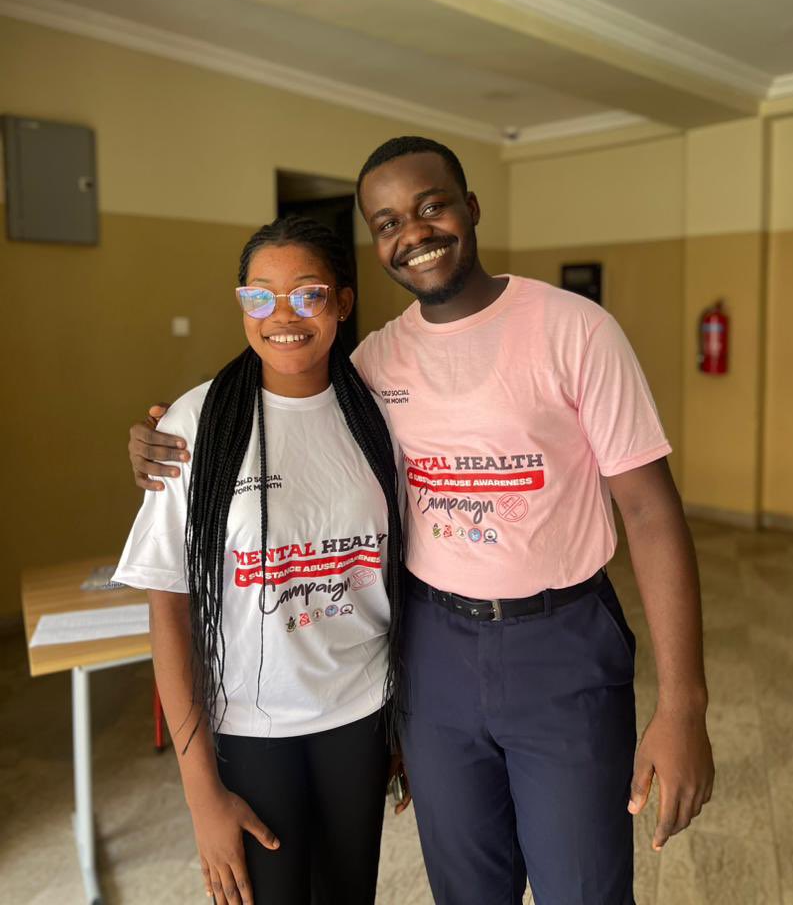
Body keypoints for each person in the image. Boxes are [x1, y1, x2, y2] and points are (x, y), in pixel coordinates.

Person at [129, 137, 714, 905]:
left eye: (432, 205)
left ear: (470, 209)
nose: (415, 231)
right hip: (432, 652)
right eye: (388, 221)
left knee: (584, 887)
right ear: (376, 245)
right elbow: (280, 379)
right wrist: (161, 439)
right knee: (465, 888)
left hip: (560, 643)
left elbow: (649, 508)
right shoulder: (376, 362)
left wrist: (685, 704)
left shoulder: (574, 329)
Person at [115, 216, 409, 905]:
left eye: (307, 294)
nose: (283, 316)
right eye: (260, 297)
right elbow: (170, 610)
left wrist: (401, 724)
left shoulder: (381, 414)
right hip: (249, 729)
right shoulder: (196, 424)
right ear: (241, 302)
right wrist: (200, 795)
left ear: (342, 300)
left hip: (361, 715)